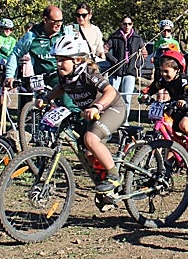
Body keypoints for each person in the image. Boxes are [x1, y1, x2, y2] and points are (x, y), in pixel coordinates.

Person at [42, 35, 127, 193]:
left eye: (63, 60)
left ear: (77, 60)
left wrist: (97, 106)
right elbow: (61, 88)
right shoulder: (65, 76)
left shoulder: (89, 73)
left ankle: (115, 176)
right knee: (88, 153)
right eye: (57, 59)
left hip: (113, 108)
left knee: (90, 139)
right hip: (92, 113)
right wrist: (46, 98)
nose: (59, 64)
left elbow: (110, 91)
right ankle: (107, 191)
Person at [141, 48, 188, 158]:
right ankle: (168, 163)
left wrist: (184, 101)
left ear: (177, 70)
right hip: (176, 108)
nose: (163, 74)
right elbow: (154, 87)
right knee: (172, 136)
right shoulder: (163, 80)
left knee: (184, 125)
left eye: (167, 71)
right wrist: (146, 94)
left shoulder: (182, 80)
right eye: (161, 71)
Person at [4, 5, 71, 103]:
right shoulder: (31, 36)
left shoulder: (66, 33)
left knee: (67, 103)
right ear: (45, 19)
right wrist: (10, 76)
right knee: (37, 102)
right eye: (55, 21)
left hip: (61, 76)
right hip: (40, 78)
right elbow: (15, 54)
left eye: (61, 21)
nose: (59, 24)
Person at [105, 16, 147, 109]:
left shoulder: (137, 38)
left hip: (130, 72)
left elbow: (144, 53)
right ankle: (113, 119)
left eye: (129, 24)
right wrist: (114, 61)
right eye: (125, 24)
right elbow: (104, 50)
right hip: (116, 71)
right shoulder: (114, 37)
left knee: (127, 98)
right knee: (113, 97)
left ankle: (125, 121)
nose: (127, 26)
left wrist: (137, 65)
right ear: (121, 24)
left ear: (132, 25)